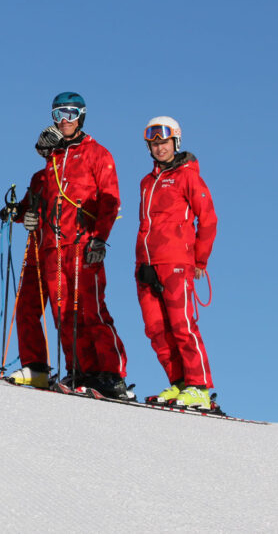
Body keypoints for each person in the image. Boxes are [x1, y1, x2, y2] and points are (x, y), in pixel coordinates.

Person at [40, 91, 130, 399]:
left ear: (82, 116)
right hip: (54, 244)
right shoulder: (54, 156)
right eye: (58, 115)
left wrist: (101, 238)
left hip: (83, 244)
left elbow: (111, 200)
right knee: (63, 313)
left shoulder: (97, 153)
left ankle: (110, 372)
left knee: (90, 309)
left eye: (70, 114)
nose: (64, 121)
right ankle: (79, 368)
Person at [136, 116, 218, 410]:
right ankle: (180, 381)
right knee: (156, 328)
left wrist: (200, 260)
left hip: (176, 262)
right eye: (154, 143)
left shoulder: (188, 177)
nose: (159, 148)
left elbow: (208, 218)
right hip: (147, 264)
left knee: (182, 324)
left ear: (176, 142)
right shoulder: (147, 182)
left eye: (165, 142)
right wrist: (143, 261)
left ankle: (200, 385)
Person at [0, 126, 62, 389]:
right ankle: (36, 367)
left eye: (51, 151)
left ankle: (81, 369)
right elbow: (27, 208)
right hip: (36, 251)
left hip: (60, 251)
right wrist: (14, 212)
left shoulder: (67, 175)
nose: (47, 156)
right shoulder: (38, 177)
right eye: (43, 152)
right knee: (26, 307)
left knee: (64, 312)